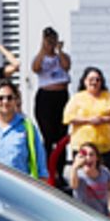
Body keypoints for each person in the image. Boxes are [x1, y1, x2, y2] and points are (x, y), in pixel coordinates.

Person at [62, 66, 110, 179]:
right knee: (83, 178)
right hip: (83, 147)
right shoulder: (77, 98)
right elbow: (68, 117)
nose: (94, 82)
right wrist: (88, 120)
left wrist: (103, 119)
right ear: (85, 81)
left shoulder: (109, 97)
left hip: (107, 147)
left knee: (108, 178)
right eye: (91, 80)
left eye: (97, 80)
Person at [31, 26, 72, 158]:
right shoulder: (40, 57)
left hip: (61, 96)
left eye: (53, 40)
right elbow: (36, 68)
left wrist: (59, 50)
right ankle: (48, 166)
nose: (51, 43)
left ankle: (60, 169)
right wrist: (43, 49)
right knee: (48, 135)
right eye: (48, 40)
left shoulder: (61, 57)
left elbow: (66, 66)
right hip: (46, 97)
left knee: (61, 134)